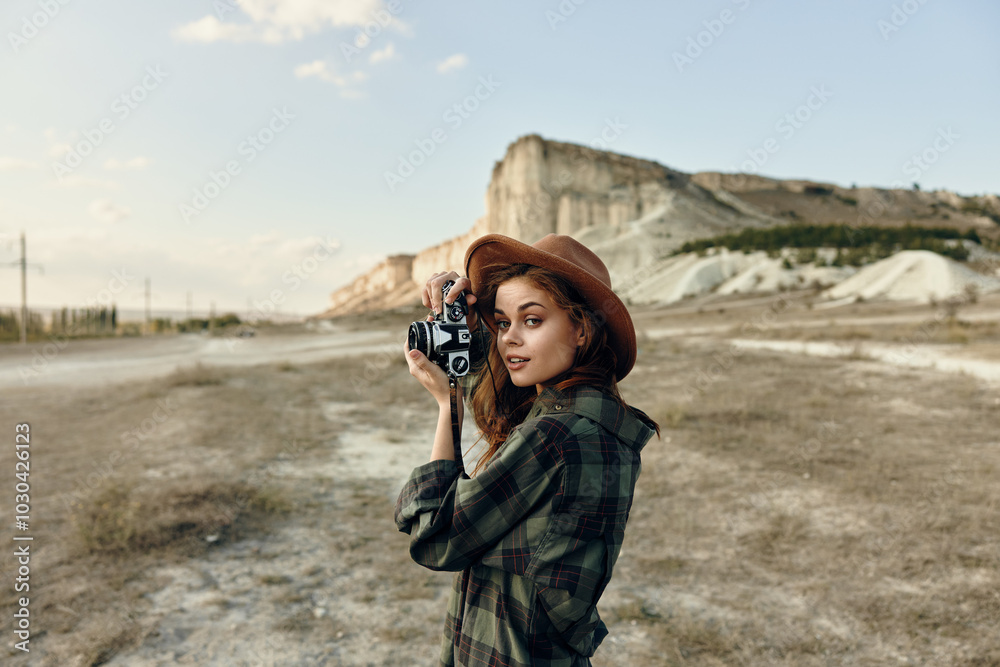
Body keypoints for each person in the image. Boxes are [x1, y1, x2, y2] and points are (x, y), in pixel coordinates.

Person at [394, 233, 659, 666]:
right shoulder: (594, 424)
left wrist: (447, 405)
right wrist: (464, 324)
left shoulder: (555, 437)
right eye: (502, 323)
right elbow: (504, 403)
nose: (508, 340)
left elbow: (437, 539)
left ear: (580, 329)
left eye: (531, 320)